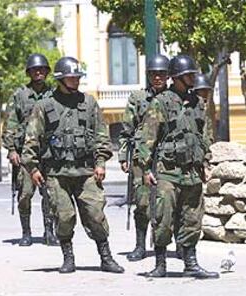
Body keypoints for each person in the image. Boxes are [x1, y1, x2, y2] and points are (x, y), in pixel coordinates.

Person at [22, 56, 124, 274]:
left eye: (78, 77)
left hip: (86, 170)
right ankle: (68, 257)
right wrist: (33, 168)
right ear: (60, 79)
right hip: (56, 173)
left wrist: (100, 163)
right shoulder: (44, 106)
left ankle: (106, 257)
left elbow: (101, 137)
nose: (76, 80)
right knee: (64, 216)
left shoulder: (88, 104)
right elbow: (31, 139)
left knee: (95, 214)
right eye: (71, 77)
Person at [138, 55, 218, 278]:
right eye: (189, 75)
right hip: (168, 171)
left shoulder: (198, 103)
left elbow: (205, 136)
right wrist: (145, 169)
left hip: (192, 171)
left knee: (192, 218)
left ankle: (190, 262)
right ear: (177, 78)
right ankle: (160, 263)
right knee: (163, 218)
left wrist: (206, 161)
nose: (193, 78)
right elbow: (148, 137)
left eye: (193, 74)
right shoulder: (161, 102)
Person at [2, 53, 58, 247]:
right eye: (35, 69)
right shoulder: (20, 95)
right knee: (25, 194)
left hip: (49, 153)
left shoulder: (55, 93)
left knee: (49, 194)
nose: (39, 72)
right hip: (25, 153)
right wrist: (11, 150)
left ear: (47, 72)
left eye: (42, 69)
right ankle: (26, 232)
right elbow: (10, 123)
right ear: (29, 72)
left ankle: (49, 232)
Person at [118, 54, 170, 261]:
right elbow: (126, 130)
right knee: (142, 203)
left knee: (168, 203)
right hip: (141, 157)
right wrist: (124, 156)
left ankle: (171, 245)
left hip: (167, 157)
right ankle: (140, 245)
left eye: (162, 74)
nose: (157, 78)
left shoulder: (173, 97)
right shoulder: (137, 98)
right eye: (154, 74)